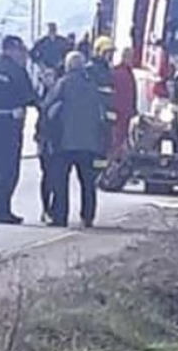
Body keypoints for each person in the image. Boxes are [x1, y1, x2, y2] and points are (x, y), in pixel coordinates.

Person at [42, 50, 106, 228]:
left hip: (65, 142)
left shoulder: (62, 84)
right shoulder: (92, 85)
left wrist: (45, 135)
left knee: (60, 181)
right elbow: (101, 115)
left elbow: (48, 109)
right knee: (87, 182)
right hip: (89, 144)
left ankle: (60, 216)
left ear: (67, 66)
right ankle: (88, 216)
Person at [0, 35, 37, 224]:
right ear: (12, 50)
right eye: (21, 52)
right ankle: (4, 209)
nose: (23, 56)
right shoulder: (16, 71)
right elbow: (29, 97)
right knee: (8, 167)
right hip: (9, 123)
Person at [85, 36, 118, 174]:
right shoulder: (91, 69)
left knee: (105, 146)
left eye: (111, 53)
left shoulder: (107, 69)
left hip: (107, 116)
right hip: (96, 116)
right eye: (107, 52)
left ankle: (100, 171)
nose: (110, 56)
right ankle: (93, 171)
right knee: (96, 147)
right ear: (99, 52)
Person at [34, 66, 59, 222]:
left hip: (58, 141)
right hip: (45, 140)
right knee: (47, 176)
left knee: (57, 176)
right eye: (45, 76)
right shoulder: (42, 96)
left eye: (51, 75)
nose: (48, 79)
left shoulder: (60, 93)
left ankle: (54, 209)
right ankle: (45, 209)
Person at [111, 47, 138, 154]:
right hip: (120, 113)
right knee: (117, 141)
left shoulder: (117, 72)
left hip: (121, 113)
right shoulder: (123, 73)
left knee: (119, 140)